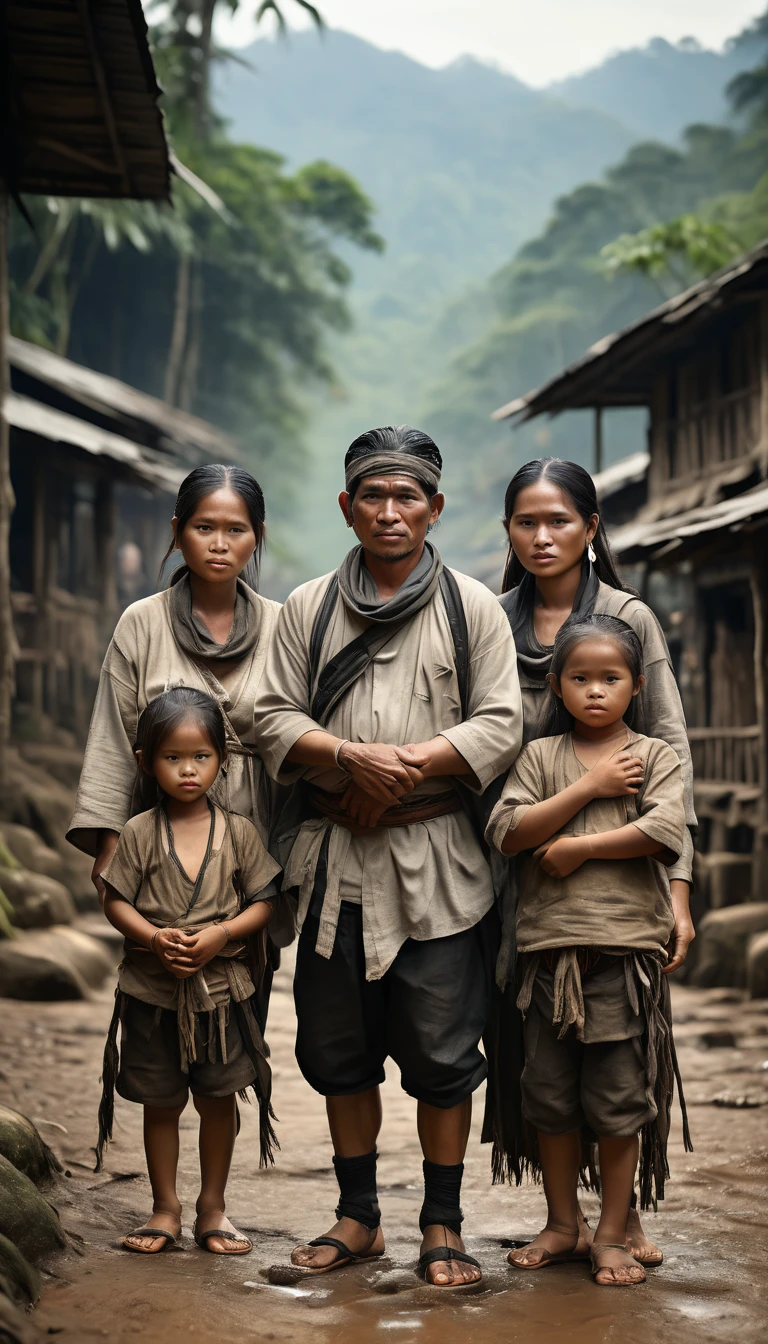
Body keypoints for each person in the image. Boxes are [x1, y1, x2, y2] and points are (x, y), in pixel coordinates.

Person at [252, 425, 522, 1288]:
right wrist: (344, 759)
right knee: (338, 1049)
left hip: (439, 866)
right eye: (374, 494)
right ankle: (358, 1217)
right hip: (336, 863)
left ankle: (442, 1223)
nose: (391, 510)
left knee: (445, 1055)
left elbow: (501, 722)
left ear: (435, 508)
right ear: (347, 507)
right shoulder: (307, 608)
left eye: (408, 496)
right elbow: (267, 717)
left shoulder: (471, 606)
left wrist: (403, 763)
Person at [491, 456, 695, 1266]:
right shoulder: (489, 619)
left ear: (591, 528)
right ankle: (562, 1217)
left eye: (559, 520)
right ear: (507, 530)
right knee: (542, 1072)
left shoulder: (629, 616)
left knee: (621, 1070)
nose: (543, 536)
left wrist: (679, 892)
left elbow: (672, 753)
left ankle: (620, 1219)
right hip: (521, 885)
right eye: (526, 522)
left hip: (622, 907)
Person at [97, 687, 281, 1255]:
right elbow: (114, 899)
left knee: (218, 1100)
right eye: (171, 758)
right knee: (162, 1102)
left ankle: (213, 1208)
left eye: (200, 756)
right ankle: (165, 1208)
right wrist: (153, 937)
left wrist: (221, 935)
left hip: (223, 993)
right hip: (152, 990)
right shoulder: (138, 833)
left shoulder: (241, 832)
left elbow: (266, 901)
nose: (187, 770)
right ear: (145, 763)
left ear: (223, 760)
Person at [67, 463, 281, 893]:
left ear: (258, 534)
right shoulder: (142, 623)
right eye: (203, 527)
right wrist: (111, 844)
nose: (219, 545)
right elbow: (114, 738)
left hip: (259, 840)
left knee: (246, 958)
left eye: (236, 530)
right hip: (159, 837)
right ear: (178, 531)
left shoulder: (283, 625)